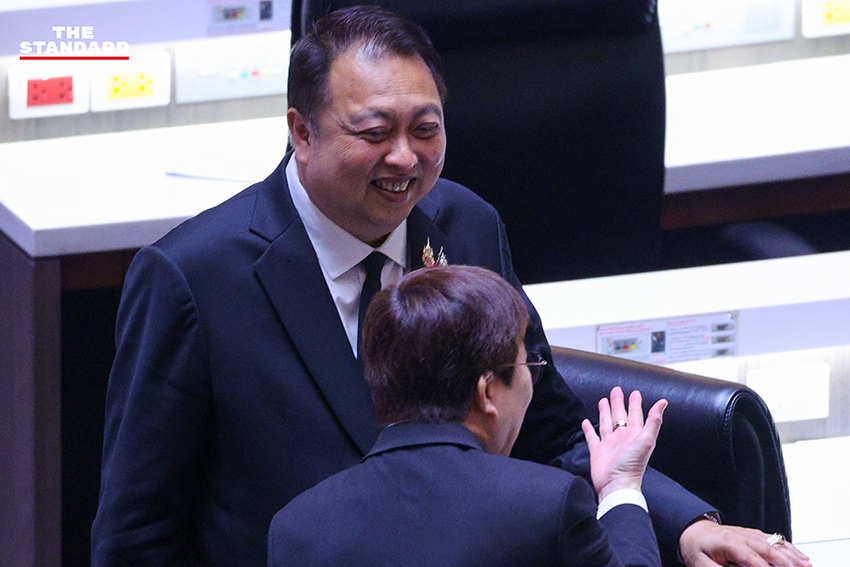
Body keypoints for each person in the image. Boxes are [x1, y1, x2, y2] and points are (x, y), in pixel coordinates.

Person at [91, 6, 810, 567]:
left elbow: (554, 429)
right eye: (374, 131)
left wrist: (683, 526)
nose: (404, 158)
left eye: (425, 128)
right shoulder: (193, 278)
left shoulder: (465, 225)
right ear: (301, 133)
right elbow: (138, 532)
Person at [269, 265, 667, 567]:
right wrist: (621, 488)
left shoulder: (295, 529)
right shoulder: (546, 506)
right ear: (487, 390)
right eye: (530, 367)